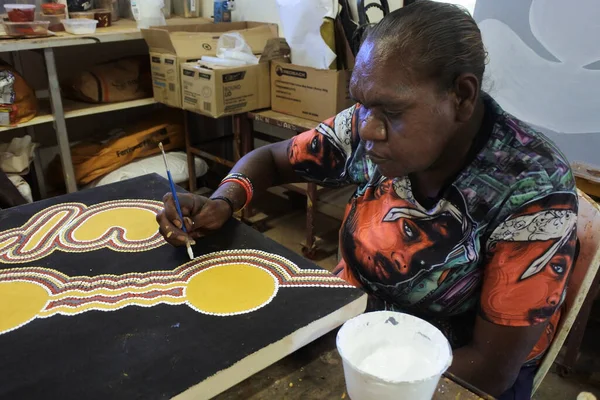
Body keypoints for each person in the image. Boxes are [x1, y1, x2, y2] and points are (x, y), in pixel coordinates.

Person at [157, 2, 578, 398]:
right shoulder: (369, 121)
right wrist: (224, 199)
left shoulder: (532, 187)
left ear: (462, 98)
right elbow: (270, 158)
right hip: (356, 328)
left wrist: (365, 379)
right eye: (359, 104)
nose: (366, 130)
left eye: (391, 113)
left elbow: (492, 368)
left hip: (449, 375)